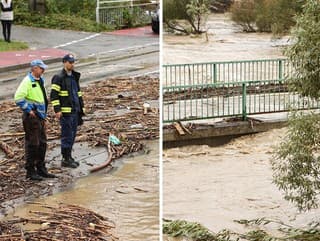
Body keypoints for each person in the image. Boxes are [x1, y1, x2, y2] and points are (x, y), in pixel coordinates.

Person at [14, 59, 56, 181]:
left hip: (40, 116)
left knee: (42, 143)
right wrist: (29, 110)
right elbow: (18, 98)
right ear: (34, 68)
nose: (43, 70)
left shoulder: (40, 80)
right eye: (41, 68)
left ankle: (41, 168)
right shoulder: (27, 81)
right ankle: (30, 171)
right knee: (33, 143)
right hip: (32, 117)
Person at [50, 54, 85, 168]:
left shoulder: (74, 76)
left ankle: (69, 156)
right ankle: (65, 158)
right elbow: (54, 96)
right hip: (66, 112)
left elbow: (78, 93)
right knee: (67, 135)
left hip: (75, 111)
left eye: (73, 62)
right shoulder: (59, 77)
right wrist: (57, 110)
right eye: (70, 62)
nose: (72, 64)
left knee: (73, 134)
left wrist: (81, 107)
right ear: (64, 62)